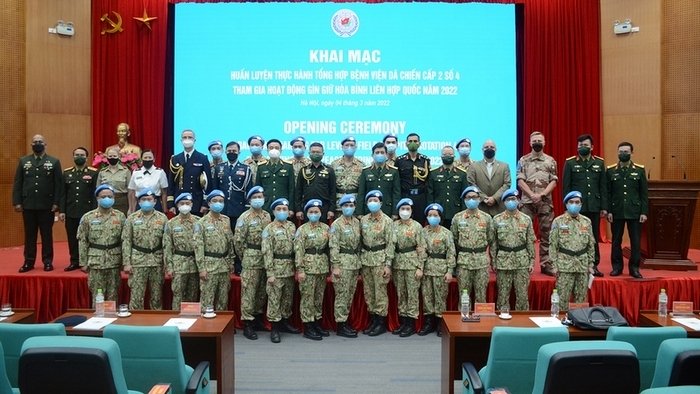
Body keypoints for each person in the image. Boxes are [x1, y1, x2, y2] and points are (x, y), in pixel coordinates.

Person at [13, 134, 63, 272]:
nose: (37, 144)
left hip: (47, 205)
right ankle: (29, 261)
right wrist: (17, 202)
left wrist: (56, 203)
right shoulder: (24, 161)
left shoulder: (54, 161)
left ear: (45, 144)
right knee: (30, 235)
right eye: (35, 142)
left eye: (40, 142)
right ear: (31, 145)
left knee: (46, 235)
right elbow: (18, 182)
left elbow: (58, 185)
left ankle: (47, 261)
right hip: (28, 205)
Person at [561, 133, 608, 277]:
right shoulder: (570, 163)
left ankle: (594, 265)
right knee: (575, 235)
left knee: (592, 236)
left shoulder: (599, 163)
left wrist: (604, 207)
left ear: (592, 147)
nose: (583, 147)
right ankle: (575, 263)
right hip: (576, 208)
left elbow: (603, 187)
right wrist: (566, 207)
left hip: (594, 205)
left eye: (586, 145)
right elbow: (566, 187)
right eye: (580, 145)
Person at [516, 131, 558, 276]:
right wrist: (532, 195)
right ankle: (524, 263)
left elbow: (554, 180)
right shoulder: (523, 160)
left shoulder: (550, 161)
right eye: (534, 141)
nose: (537, 143)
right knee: (523, 234)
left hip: (545, 201)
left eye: (539, 140)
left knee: (547, 234)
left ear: (544, 142)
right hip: (527, 202)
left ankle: (546, 264)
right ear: (530, 143)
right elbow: (520, 180)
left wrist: (542, 194)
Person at [234, 186, 272, 340]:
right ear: (250, 200)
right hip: (251, 256)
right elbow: (238, 241)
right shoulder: (244, 217)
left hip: (266, 258)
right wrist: (246, 257)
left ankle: (256, 319)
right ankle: (247, 323)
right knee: (249, 291)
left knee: (261, 292)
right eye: (255, 197)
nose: (258, 199)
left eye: (261, 196)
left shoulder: (267, 216)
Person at [77, 184, 126, 303]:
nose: (107, 199)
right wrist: (82, 262)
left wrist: (125, 261)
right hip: (96, 261)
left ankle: (112, 320)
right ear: (97, 198)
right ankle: (97, 319)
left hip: (114, 261)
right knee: (97, 296)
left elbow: (125, 241)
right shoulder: (88, 217)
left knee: (113, 295)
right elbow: (82, 240)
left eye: (110, 196)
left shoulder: (120, 216)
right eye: (103, 196)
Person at [607, 142, 648, 278]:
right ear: (617, 153)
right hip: (617, 210)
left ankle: (634, 268)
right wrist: (609, 211)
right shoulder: (611, 170)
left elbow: (643, 193)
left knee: (635, 242)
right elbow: (608, 192)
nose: (623, 154)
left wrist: (644, 212)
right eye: (621, 151)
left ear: (632, 153)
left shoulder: (639, 170)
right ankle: (617, 267)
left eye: (626, 151)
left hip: (634, 211)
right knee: (616, 241)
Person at [122, 189, 168, 310]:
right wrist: (127, 263)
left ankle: (156, 324)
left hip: (157, 261)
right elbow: (126, 241)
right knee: (137, 295)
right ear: (138, 201)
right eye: (143, 199)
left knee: (157, 296)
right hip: (138, 260)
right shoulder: (131, 219)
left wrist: (167, 263)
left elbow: (167, 243)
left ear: (155, 201)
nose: (146, 202)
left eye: (149, 199)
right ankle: (136, 324)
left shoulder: (163, 219)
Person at [262, 198, 300, 343]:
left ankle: (284, 322)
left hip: (289, 268)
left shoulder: (291, 226)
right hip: (276, 268)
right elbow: (267, 252)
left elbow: (296, 248)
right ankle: (275, 328)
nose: (282, 212)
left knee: (287, 298)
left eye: (284, 209)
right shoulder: (269, 229)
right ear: (273, 212)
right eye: (279, 209)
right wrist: (270, 273)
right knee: (274, 298)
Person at [550, 191, 595, 311]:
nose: (574, 204)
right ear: (566, 204)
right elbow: (553, 245)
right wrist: (554, 265)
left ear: (581, 204)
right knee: (562, 299)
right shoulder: (558, 222)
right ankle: (560, 325)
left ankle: (579, 324)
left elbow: (591, 244)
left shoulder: (587, 222)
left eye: (577, 202)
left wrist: (590, 264)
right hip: (565, 265)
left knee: (581, 300)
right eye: (571, 202)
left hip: (582, 265)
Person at [492, 189, 535, 311]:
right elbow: (494, 243)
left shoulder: (526, 219)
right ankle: (503, 321)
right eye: (508, 200)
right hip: (503, 261)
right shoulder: (497, 219)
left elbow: (530, 242)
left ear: (518, 201)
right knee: (503, 296)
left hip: (522, 261)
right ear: (504, 202)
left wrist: (531, 261)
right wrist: (494, 262)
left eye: (514, 199)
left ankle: (522, 323)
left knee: (522, 295)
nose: (511, 202)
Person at [360, 190, 395, 336]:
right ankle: (373, 320)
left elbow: (391, 243)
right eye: (370, 200)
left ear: (381, 203)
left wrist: (388, 264)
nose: (373, 203)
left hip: (380, 259)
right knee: (369, 292)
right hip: (366, 259)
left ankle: (380, 322)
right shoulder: (363, 220)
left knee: (380, 292)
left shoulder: (387, 221)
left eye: (375, 200)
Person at [295, 199, 331, 340]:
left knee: (318, 297)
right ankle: (308, 326)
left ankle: (317, 322)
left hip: (321, 267)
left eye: (316, 212)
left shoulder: (326, 229)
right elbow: (298, 251)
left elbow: (329, 249)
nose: (314, 214)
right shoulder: (302, 230)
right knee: (307, 298)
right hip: (308, 267)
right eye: (311, 212)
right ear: (307, 213)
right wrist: (300, 269)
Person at [452, 186, 494, 305]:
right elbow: (454, 240)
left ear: (479, 199)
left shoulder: (486, 218)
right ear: (464, 199)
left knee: (481, 296)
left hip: (481, 261)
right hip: (464, 262)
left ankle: (481, 323)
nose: (471, 200)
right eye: (468, 197)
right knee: (464, 296)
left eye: (474, 197)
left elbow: (491, 239)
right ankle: (463, 320)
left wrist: (493, 261)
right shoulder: (457, 218)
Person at [194, 190, 235, 311]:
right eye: (215, 201)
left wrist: (231, 262)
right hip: (209, 265)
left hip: (224, 264)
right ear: (209, 203)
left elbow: (230, 242)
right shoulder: (201, 223)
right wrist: (201, 268)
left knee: (223, 299)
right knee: (207, 299)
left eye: (221, 201)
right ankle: (206, 327)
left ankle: (222, 327)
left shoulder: (226, 220)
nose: (218, 203)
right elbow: (198, 246)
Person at [391, 198, 426, 337]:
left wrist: (420, 267)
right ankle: (403, 321)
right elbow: (390, 245)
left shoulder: (417, 226)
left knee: (412, 294)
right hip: (398, 264)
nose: (405, 212)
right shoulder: (393, 226)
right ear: (398, 211)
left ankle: (411, 324)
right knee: (401, 293)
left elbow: (421, 247)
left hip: (412, 263)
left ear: (412, 211)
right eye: (402, 209)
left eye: (407, 209)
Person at [419, 203, 456, 336]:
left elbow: (451, 252)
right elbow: (421, 251)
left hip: (441, 268)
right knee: (427, 296)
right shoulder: (422, 232)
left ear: (440, 217)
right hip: (427, 268)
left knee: (440, 297)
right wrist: (420, 268)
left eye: (435, 215)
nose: (432, 217)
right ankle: (429, 322)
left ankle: (440, 323)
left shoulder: (446, 233)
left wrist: (450, 271)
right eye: (430, 215)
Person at [59, 147, 98, 271]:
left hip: (87, 212)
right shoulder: (66, 173)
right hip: (71, 211)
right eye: (76, 155)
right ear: (73, 157)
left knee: (88, 238)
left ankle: (87, 261)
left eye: (82, 155)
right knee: (72, 237)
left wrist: (94, 212)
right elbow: (62, 194)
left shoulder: (93, 172)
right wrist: (62, 211)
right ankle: (74, 261)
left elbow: (95, 194)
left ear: (86, 158)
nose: (79, 157)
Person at [329, 194, 362, 338]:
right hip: (342, 263)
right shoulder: (336, 224)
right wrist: (335, 266)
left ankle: (346, 321)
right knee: (342, 295)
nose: (348, 208)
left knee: (349, 294)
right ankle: (341, 324)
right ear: (341, 207)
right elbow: (333, 246)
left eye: (351, 206)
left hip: (354, 263)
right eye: (346, 206)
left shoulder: (357, 222)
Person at [163, 193, 199, 310]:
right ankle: (176, 320)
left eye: (187, 203)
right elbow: (167, 246)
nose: (185, 206)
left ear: (192, 205)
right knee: (178, 295)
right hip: (179, 263)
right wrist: (169, 267)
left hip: (195, 263)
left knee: (192, 295)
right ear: (177, 205)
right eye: (182, 203)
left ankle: (192, 322)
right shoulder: (171, 223)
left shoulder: (199, 222)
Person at [167, 129, 212, 216]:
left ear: (194, 140)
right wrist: (170, 203)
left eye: (190, 137)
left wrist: (205, 204)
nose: (187, 139)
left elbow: (208, 183)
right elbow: (171, 183)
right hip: (179, 201)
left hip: (196, 202)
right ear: (181, 140)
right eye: (185, 137)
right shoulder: (175, 159)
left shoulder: (202, 158)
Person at [213, 141, 254, 228]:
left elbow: (248, 190)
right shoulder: (219, 168)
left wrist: (247, 208)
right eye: (229, 151)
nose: (231, 153)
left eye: (234, 151)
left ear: (239, 152)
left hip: (238, 208)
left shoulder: (245, 169)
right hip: (222, 208)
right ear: (225, 152)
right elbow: (215, 189)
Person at [467, 139, 511, 217]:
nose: (489, 149)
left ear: (496, 149)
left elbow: (507, 184)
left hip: (499, 208)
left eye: (492, 147)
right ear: (482, 150)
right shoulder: (473, 166)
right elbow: (471, 184)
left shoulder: (504, 166)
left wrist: (494, 198)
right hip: (480, 207)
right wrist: (484, 198)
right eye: (486, 147)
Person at [428, 145, 470, 227]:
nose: (447, 156)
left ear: (454, 156)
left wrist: (464, 212)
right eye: (445, 154)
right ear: (441, 156)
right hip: (438, 212)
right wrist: (431, 211)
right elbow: (430, 195)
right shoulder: (433, 173)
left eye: (450, 154)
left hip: (456, 211)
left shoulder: (462, 174)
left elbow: (464, 195)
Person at [356, 142, 401, 218]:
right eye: (377, 152)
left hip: (387, 210)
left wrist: (395, 212)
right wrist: (360, 212)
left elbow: (396, 194)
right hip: (369, 210)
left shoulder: (394, 171)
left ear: (386, 155)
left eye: (382, 152)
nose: (380, 154)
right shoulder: (366, 171)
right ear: (372, 155)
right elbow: (361, 193)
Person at [295, 142, 336, 222]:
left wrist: (331, 209)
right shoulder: (303, 170)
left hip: (324, 207)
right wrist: (298, 209)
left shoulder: (329, 170)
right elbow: (298, 191)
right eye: (313, 152)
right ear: (309, 153)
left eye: (318, 152)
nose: (315, 154)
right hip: (307, 206)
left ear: (323, 153)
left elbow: (333, 191)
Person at [395, 133, 431, 224]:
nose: (413, 143)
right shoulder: (400, 160)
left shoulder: (425, 160)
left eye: (415, 141)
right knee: (404, 223)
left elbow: (428, 180)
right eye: (410, 141)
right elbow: (397, 181)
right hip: (405, 195)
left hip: (421, 197)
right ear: (406, 143)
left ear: (419, 143)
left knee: (420, 223)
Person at [255, 139, 295, 216]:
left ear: (281, 150)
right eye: (271, 148)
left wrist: (291, 208)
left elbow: (291, 189)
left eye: (277, 148)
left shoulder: (288, 166)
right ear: (267, 150)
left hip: (283, 205)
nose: (274, 150)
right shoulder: (261, 167)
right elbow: (258, 189)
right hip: (266, 206)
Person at [330, 136, 364, 217]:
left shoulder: (361, 165)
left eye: (352, 145)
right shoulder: (334, 164)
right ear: (342, 147)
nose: (349, 147)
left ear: (355, 148)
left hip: (354, 202)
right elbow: (331, 186)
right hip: (338, 203)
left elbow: (362, 188)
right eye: (347, 145)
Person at [128, 149, 168, 213]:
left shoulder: (160, 172)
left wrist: (165, 209)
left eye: (150, 157)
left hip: (155, 204)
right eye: (145, 157)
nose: (147, 159)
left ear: (154, 159)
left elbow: (164, 193)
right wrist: (131, 208)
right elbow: (131, 192)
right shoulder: (136, 172)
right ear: (141, 159)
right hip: (140, 203)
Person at [97, 147, 131, 216]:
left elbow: (130, 190)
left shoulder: (126, 171)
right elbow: (98, 190)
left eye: (115, 156)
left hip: (121, 201)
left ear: (119, 157)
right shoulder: (102, 172)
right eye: (110, 156)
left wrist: (130, 208)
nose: (112, 158)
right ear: (107, 157)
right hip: (105, 200)